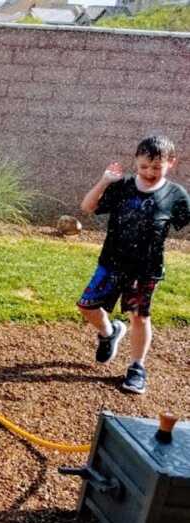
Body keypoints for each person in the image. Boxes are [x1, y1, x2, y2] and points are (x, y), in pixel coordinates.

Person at [77, 134, 190, 394]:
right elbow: (87, 206)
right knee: (87, 306)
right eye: (144, 166)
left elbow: (184, 220)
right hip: (111, 263)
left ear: (171, 162)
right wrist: (105, 181)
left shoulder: (175, 196)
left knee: (139, 317)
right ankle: (109, 332)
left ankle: (137, 367)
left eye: (156, 167)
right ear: (136, 162)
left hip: (145, 270)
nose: (150, 172)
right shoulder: (123, 186)